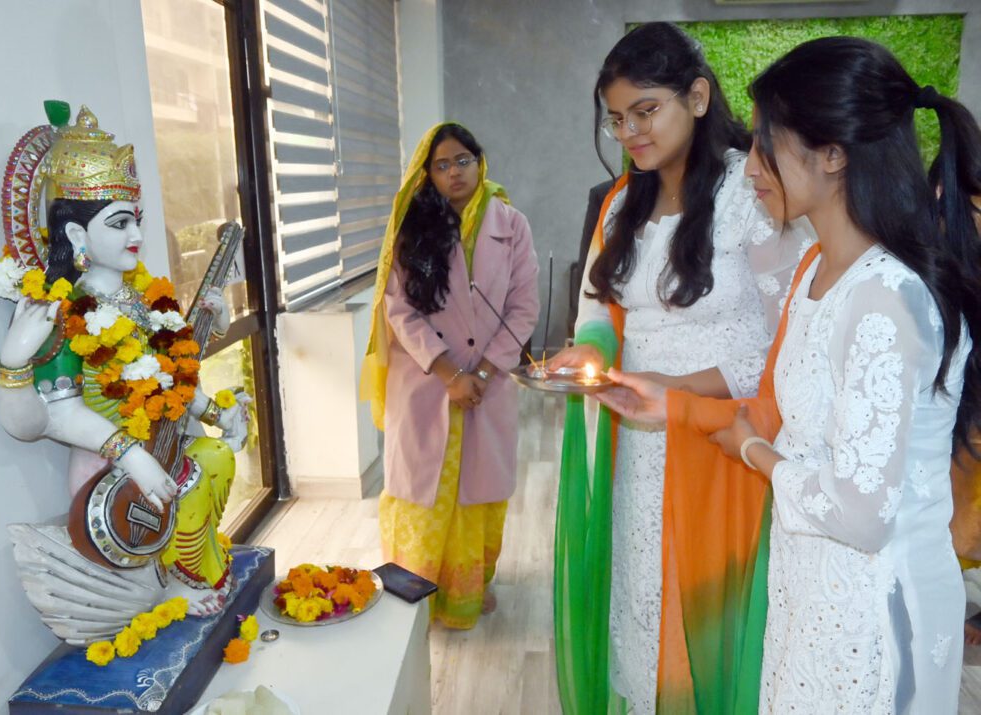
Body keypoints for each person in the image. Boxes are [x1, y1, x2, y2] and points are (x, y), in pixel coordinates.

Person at [596, 36, 981, 713]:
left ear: (833, 155)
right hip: (807, 587)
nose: (750, 171)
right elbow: (773, 408)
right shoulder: (813, 273)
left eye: (769, 147)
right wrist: (672, 404)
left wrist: (756, 454)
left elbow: (861, 515)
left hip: (879, 611)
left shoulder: (888, 301)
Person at [547, 23, 808, 713]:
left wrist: (676, 390)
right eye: (616, 118)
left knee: (702, 615)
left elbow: (785, 342)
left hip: (719, 440)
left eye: (645, 110)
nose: (630, 132)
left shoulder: (751, 194)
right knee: (639, 593)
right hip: (635, 440)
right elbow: (597, 306)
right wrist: (593, 354)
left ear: (696, 97)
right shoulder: (619, 204)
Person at [0, 104, 249, 625]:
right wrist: (131, 455)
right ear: (76, 237)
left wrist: (216, 412)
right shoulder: (63, 312)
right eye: (119, 221)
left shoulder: (141, 299)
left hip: (164, 439)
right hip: (109, 468)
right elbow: (49, 417)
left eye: (137, 219)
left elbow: (166, 380)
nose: (136, 233)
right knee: (197, 470)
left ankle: (191, 564)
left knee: (218, 458)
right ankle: (170, 581)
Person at [360, 123, 539, 629]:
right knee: (422, 490)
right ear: (428, 173)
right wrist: (448, 373)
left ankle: (466, 590)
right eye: (442, 165)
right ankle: (416, 594)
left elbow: (523, 307)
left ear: (480, 161)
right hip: (424, 380)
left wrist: (480, 371)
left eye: (463, 160)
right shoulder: (411, 225)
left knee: (478, 491)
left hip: (489, 381)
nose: (454, 172)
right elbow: (399, 307)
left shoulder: (512, 224)